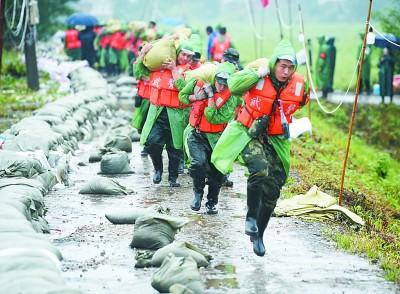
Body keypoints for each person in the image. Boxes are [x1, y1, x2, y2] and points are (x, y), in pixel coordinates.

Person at [211, 39, 309, 256]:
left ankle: (260, 234)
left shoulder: (299, 84)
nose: (286, 71)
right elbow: (234, 86)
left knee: (273, 190)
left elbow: (302, 102)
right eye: (282, 66)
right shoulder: (258, 73)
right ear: (274, 64)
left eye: (290, 67)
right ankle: (250, 217)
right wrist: (257, 74)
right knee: (259, 169)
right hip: (249, 132)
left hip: (276, 139)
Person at [179, 63, 237, 214]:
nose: (222, 87)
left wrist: (210, 96)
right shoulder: (199, 83)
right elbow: (182, 97)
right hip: (197, 134)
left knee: (216, 172)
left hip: (218, 138)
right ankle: (197, 193)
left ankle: (212, 202)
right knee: (198, 163)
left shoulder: (231, 97)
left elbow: (214, 117)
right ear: (214, 78)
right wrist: (196, 97)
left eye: (225, 84)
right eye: (219, 82)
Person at [140, 41, 195, 187]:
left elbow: (183, 88)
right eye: (183, 54)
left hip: (176, 114)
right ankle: (158, 169)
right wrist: (143, 53)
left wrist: (174, 69)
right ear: (177, 53)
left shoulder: (188, 71)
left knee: (174, 148)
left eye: (189, 56)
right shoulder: (159, 66)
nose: (185, 58)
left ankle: (172, 177)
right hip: (157, 112)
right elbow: (139, 72)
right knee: (152, 142)